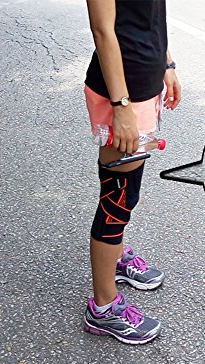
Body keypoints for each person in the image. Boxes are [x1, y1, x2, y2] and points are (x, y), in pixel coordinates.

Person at [82, 0, 181, 344]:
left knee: (125, 191)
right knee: (118, 199)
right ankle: (103, 308)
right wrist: (121, 106)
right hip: (122, 93)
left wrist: (167, 63)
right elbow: (102, 29)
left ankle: (116, 257)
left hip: (142, 83)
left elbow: (151, 14)